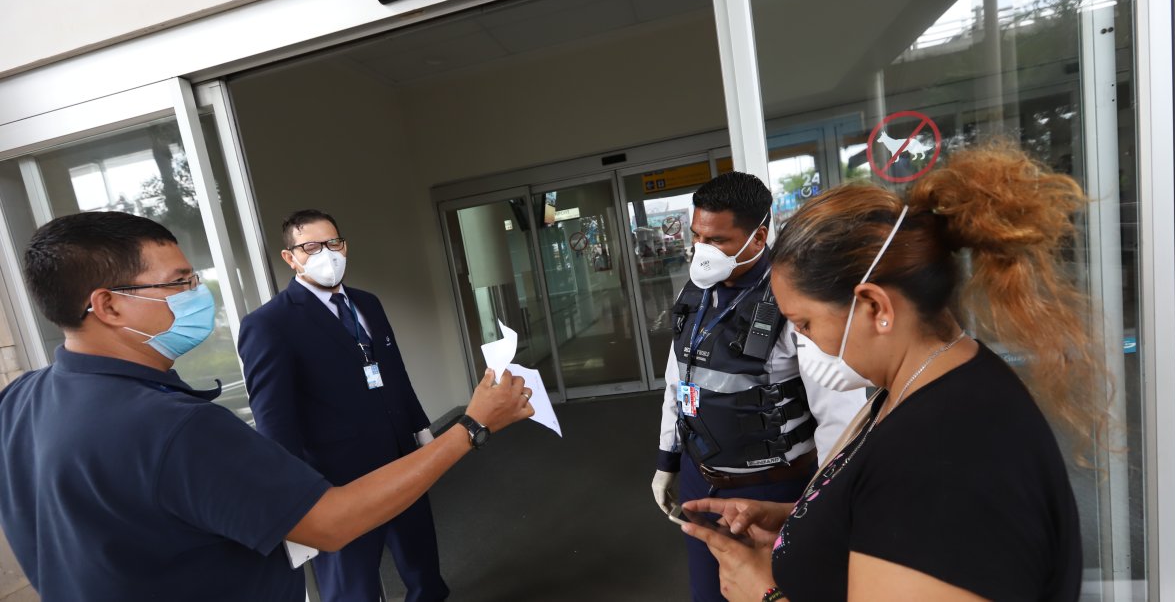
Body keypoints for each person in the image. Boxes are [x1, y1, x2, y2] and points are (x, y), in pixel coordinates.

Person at [0, 211, 532, 602]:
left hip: (392, 453)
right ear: (109, 304)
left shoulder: (17, 401)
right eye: (180, 282)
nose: (197, 292)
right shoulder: (176, 426)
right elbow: (328, 520)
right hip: (334, 480)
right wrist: (472, 424)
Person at [681, 143, 1090, 601]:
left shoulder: (948, 459)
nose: (807, 343)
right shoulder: (922, 386)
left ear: (876, 306)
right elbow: (885, 518)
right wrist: (799, 519)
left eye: (806, 324)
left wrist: (764, 593)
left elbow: (917, 512)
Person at [651, 172, 863, 602]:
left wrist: (819, 505)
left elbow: (837, 419)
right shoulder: (696, 291)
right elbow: (680, 379)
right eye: (697, 236)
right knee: (708, 593)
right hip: (699, 477)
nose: (703, 251)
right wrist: (667, 459)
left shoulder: (793, 299)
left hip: (771, 488)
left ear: (758, 235)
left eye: (719, 240)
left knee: (769, 590)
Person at [237, 209, 447, 602]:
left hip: (403, 459)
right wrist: (295, 495)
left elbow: (395, 371)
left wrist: (421, 429)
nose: (327, 254)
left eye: (334, 243)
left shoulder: (368, 303)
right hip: (339, 481)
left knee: (423, 563)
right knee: (353, 584)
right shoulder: (270, 324)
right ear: (290, 257)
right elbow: (274, 420)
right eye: (311, 246)